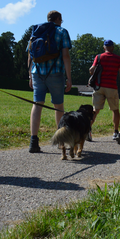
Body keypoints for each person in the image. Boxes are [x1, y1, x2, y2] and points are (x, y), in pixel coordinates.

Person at [27, 10, 72, 153]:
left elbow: (30, 55)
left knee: (37, 104)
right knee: (58, 106)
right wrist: (69, 77)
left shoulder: (36, 31)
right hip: (55, 72)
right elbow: (66, 56)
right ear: (58, 19)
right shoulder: (62, 31)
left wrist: (30, 75)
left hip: (37, 72)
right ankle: (60, 141)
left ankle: (33, 141)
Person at [89, 40, 120, 141]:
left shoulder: (99, 57)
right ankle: (115, 132)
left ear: (104, 47)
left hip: (99, 86)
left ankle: (88, 130)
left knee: (95, 110)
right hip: (112, 87)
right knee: (115, 110)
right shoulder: (118, 58)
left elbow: (92, 70)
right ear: (112, 47)